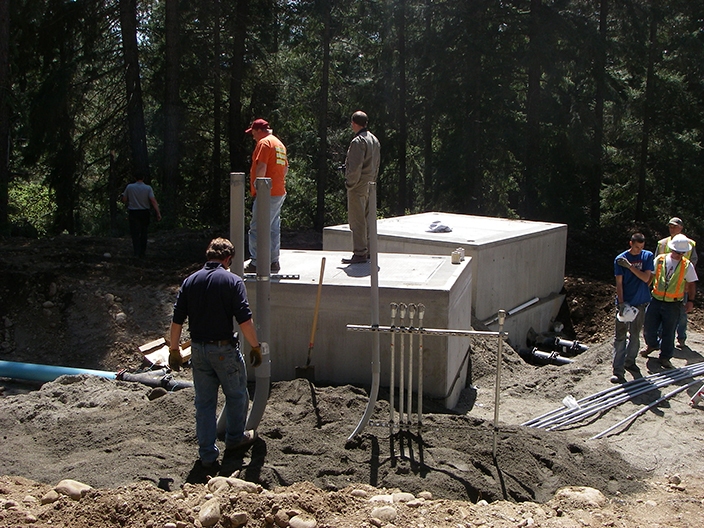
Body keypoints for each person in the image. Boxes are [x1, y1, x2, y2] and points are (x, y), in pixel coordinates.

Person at [169, 238, 263, 467]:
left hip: (198, 350)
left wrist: (173, 350)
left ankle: (207, 456)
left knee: (204, 403)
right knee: (237, 395)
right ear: (228, 259)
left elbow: (177, 320)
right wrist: (255, 346)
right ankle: (234, 439)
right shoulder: (232, 281)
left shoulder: (190, 281)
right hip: (223, 349)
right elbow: (244, 320)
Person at [642, 234, 698, 369]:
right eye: (677, 252)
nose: (679, 255)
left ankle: (665, 357)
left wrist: (690, 301)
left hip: (673, 303)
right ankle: (652, 344)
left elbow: (691, 284)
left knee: (669, 331)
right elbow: (651, 276)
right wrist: (643, 292)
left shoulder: (687, 265)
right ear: (672, 249)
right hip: (656, 299)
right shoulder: (660, 260)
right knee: (649, 326)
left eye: (682, 253)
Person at [243, 119, 288, 274]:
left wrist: (258, 189)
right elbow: (285, 169)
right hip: (278, 191)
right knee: (273, 227)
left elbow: (261, 166)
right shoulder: (279, 144)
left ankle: (256, 262)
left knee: (257, 227)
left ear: (259, 130)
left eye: (253, 133)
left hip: (266, 192)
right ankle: (273, 261)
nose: (253, 136)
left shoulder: (264, 143)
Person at [611, 233, 654, 384]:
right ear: (630, 243)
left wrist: (629, 266)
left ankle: (630, 362)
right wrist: (622, 303)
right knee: (620, 337)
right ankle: (618, 370)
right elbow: (619, 283)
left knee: (635, 335)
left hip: (640, 302)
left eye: (641, 247)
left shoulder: (647, 256)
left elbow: (646, 278)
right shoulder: (620, 259)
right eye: (636, 247)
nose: (638, 250)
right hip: (626, 302)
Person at [342, 110, 381, 264]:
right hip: (370, 184)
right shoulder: (374, 140)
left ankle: (359, 252)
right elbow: (376, 164)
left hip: (358, 185)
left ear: (354, 123)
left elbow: (355, 167)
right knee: (368, 219)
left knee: (357, 220)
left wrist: (349, 183)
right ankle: (370, 250)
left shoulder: (358, 141)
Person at [655, 217, 698, 347]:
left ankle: (681, 337)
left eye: (674, 226)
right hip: (662, 288)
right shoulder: (662, 243)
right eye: (670, 226)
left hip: (681, 285)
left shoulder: (690, 244)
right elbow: (656, 263)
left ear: (681, 228)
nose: (671, 229)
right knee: (661, 315)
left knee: (682, 313)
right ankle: (660, 338)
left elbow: (693, 262)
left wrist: (686, 281)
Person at [121, 176, 162, 257]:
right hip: (144, 212)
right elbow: (153, 200)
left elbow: (124, 199)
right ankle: (142, 252)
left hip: (133, 212)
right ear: (143, 178)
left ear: (135, 178)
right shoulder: (148, 188)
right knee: (144, 232)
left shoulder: (130, 187)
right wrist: (158, 212)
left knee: (135, 233)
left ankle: (136, 252)